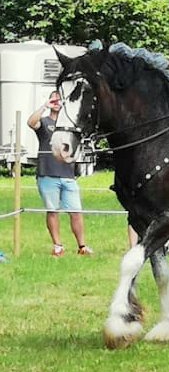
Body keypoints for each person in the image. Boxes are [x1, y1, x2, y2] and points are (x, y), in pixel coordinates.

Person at [27, 91, 92, 257]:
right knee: (52, 211)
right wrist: (44, 106)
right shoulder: (44, 122)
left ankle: (82, 246)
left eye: (59, 99)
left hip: (68, 175)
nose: (56, 101)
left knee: (76, 212)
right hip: (47, 174)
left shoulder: (69, 123)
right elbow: (30, 122)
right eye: (53, 99)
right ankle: (57, 245)